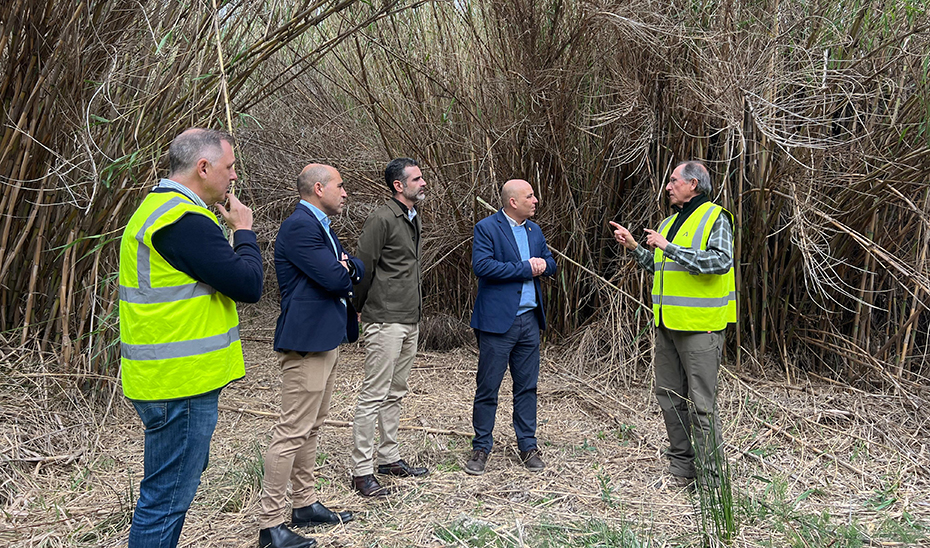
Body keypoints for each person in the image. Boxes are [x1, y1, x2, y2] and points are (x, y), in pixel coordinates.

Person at [119, 128, 263, 548]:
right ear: (203, 168)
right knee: (166, 500)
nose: (234, 177)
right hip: (179, 383)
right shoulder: (182, 220)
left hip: (166, 379)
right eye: (229, 167)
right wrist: (244, 230)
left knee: (168, 491)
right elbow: (248, 284)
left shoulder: (156, 209)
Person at [609, 160, 736, 488]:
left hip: (700, 326)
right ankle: (682, 468)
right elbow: (661, 268)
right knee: (669, 397)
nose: (668, 186)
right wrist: (635, 247)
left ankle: (711, 482)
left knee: (702, 407)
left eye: (674, 180)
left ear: (693, 184)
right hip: (666, 324)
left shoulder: (715, 217)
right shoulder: (668, 222)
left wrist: (669, 247)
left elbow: (720, 262)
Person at [257, 164, 364, 548]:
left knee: (312, 426)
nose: (345, 192)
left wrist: (346, 266)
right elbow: (337, 279)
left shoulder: (321, 226)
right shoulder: (300, 226)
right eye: (340, 185)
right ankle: (270, 525)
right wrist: (344, 269)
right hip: (305, 342)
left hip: (326, 338)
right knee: (291, 431)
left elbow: (353, 268)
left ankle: (303, 504)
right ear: (319, 188)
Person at [465, 179, 557, 476]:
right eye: (530, 196)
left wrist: (544, 265)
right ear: (513, 202)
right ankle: (481, 447)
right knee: (488, 386)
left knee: (527, 386)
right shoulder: (487, 228)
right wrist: (525, 268)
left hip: (529, 320)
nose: (536, 200)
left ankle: (528, 445)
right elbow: (483, 266)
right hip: (497, 324)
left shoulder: (534, 230)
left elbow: (550, 262)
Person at [350, 157, 429, 496]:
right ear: (399, 185)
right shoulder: (382, 218)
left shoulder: (413, 217)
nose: (423, 182)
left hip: (408, 317)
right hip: (384, 319)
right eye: (417, 178)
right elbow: (364, 267)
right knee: (373, 394)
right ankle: (361, 470)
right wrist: (356, 308)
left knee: (396, 392)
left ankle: (389, 458)